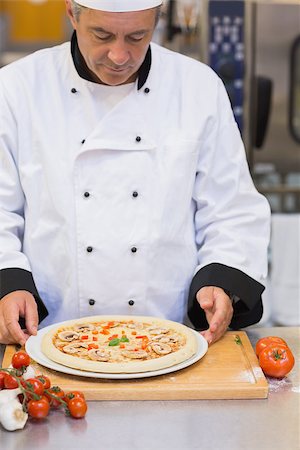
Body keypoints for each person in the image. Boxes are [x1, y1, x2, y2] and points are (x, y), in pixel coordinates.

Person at [0, 0, 270, 347]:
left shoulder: (198, 87)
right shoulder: (16, 89)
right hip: (48, 336)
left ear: (156, 22)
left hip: (172, 338)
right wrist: (8, 282)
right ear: (72, 13)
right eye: (102, 34)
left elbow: (231, 208)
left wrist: (221, 280)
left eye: (137, 37)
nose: (119, 55)